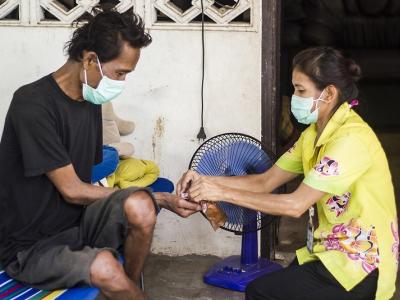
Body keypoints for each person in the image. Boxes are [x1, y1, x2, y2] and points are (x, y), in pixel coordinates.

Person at [0, 9, 201, 300]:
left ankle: (126, 290)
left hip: (78, 225)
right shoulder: (32, 104)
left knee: (141, 209)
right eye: (120, 73)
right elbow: (71, 190)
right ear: (90, 59)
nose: (121, 82)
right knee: (108, 262)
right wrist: (159, 198)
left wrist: (138, 200)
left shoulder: (89, 99)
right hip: (30, 246)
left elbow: (92, 177)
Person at [177, 47, 398, 300]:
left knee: (261, 292)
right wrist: (204, 179)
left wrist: (220, 191)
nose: (294, 97)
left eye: (301, 90)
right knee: (275, 286)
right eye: (294, 89)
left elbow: (295, 205)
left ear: (328, 93)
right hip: (328, 252)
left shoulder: (350, 140)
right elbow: (265, 181)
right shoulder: (313, 135)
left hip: (360, 265)